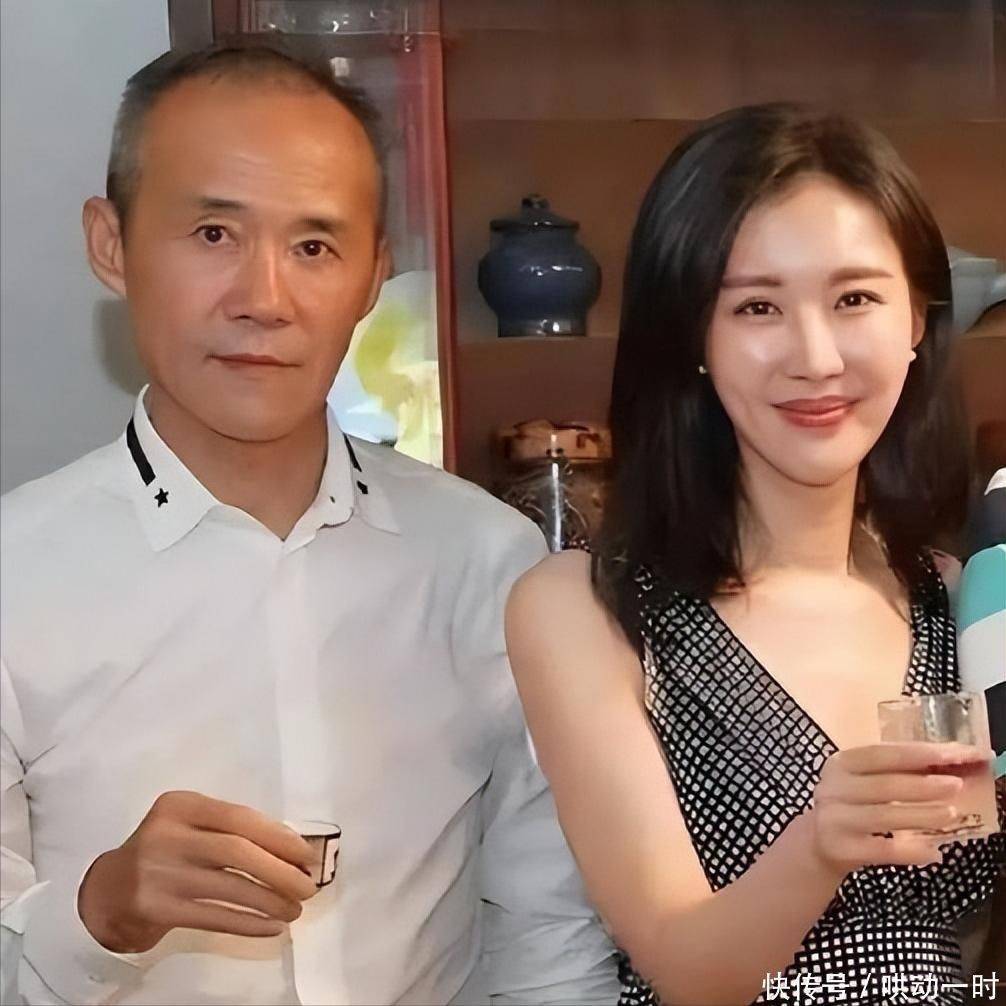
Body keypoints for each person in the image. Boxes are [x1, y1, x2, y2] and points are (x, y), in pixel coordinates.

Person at [0, 40, 617, 1006]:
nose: (264, 300)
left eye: (315, 247)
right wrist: (98, 915)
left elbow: (548, 940)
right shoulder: (16, 577)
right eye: (214, 234)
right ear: (110, 243)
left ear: (374, 276)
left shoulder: (485, 563)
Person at [505, 103, 1005, 1005]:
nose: (815, 358)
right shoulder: (586, 606)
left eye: (854, 299)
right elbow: (685, 969)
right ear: (692, 336)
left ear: (917, 320)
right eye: (757, 307)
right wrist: (818, 846)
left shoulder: (956, 594)